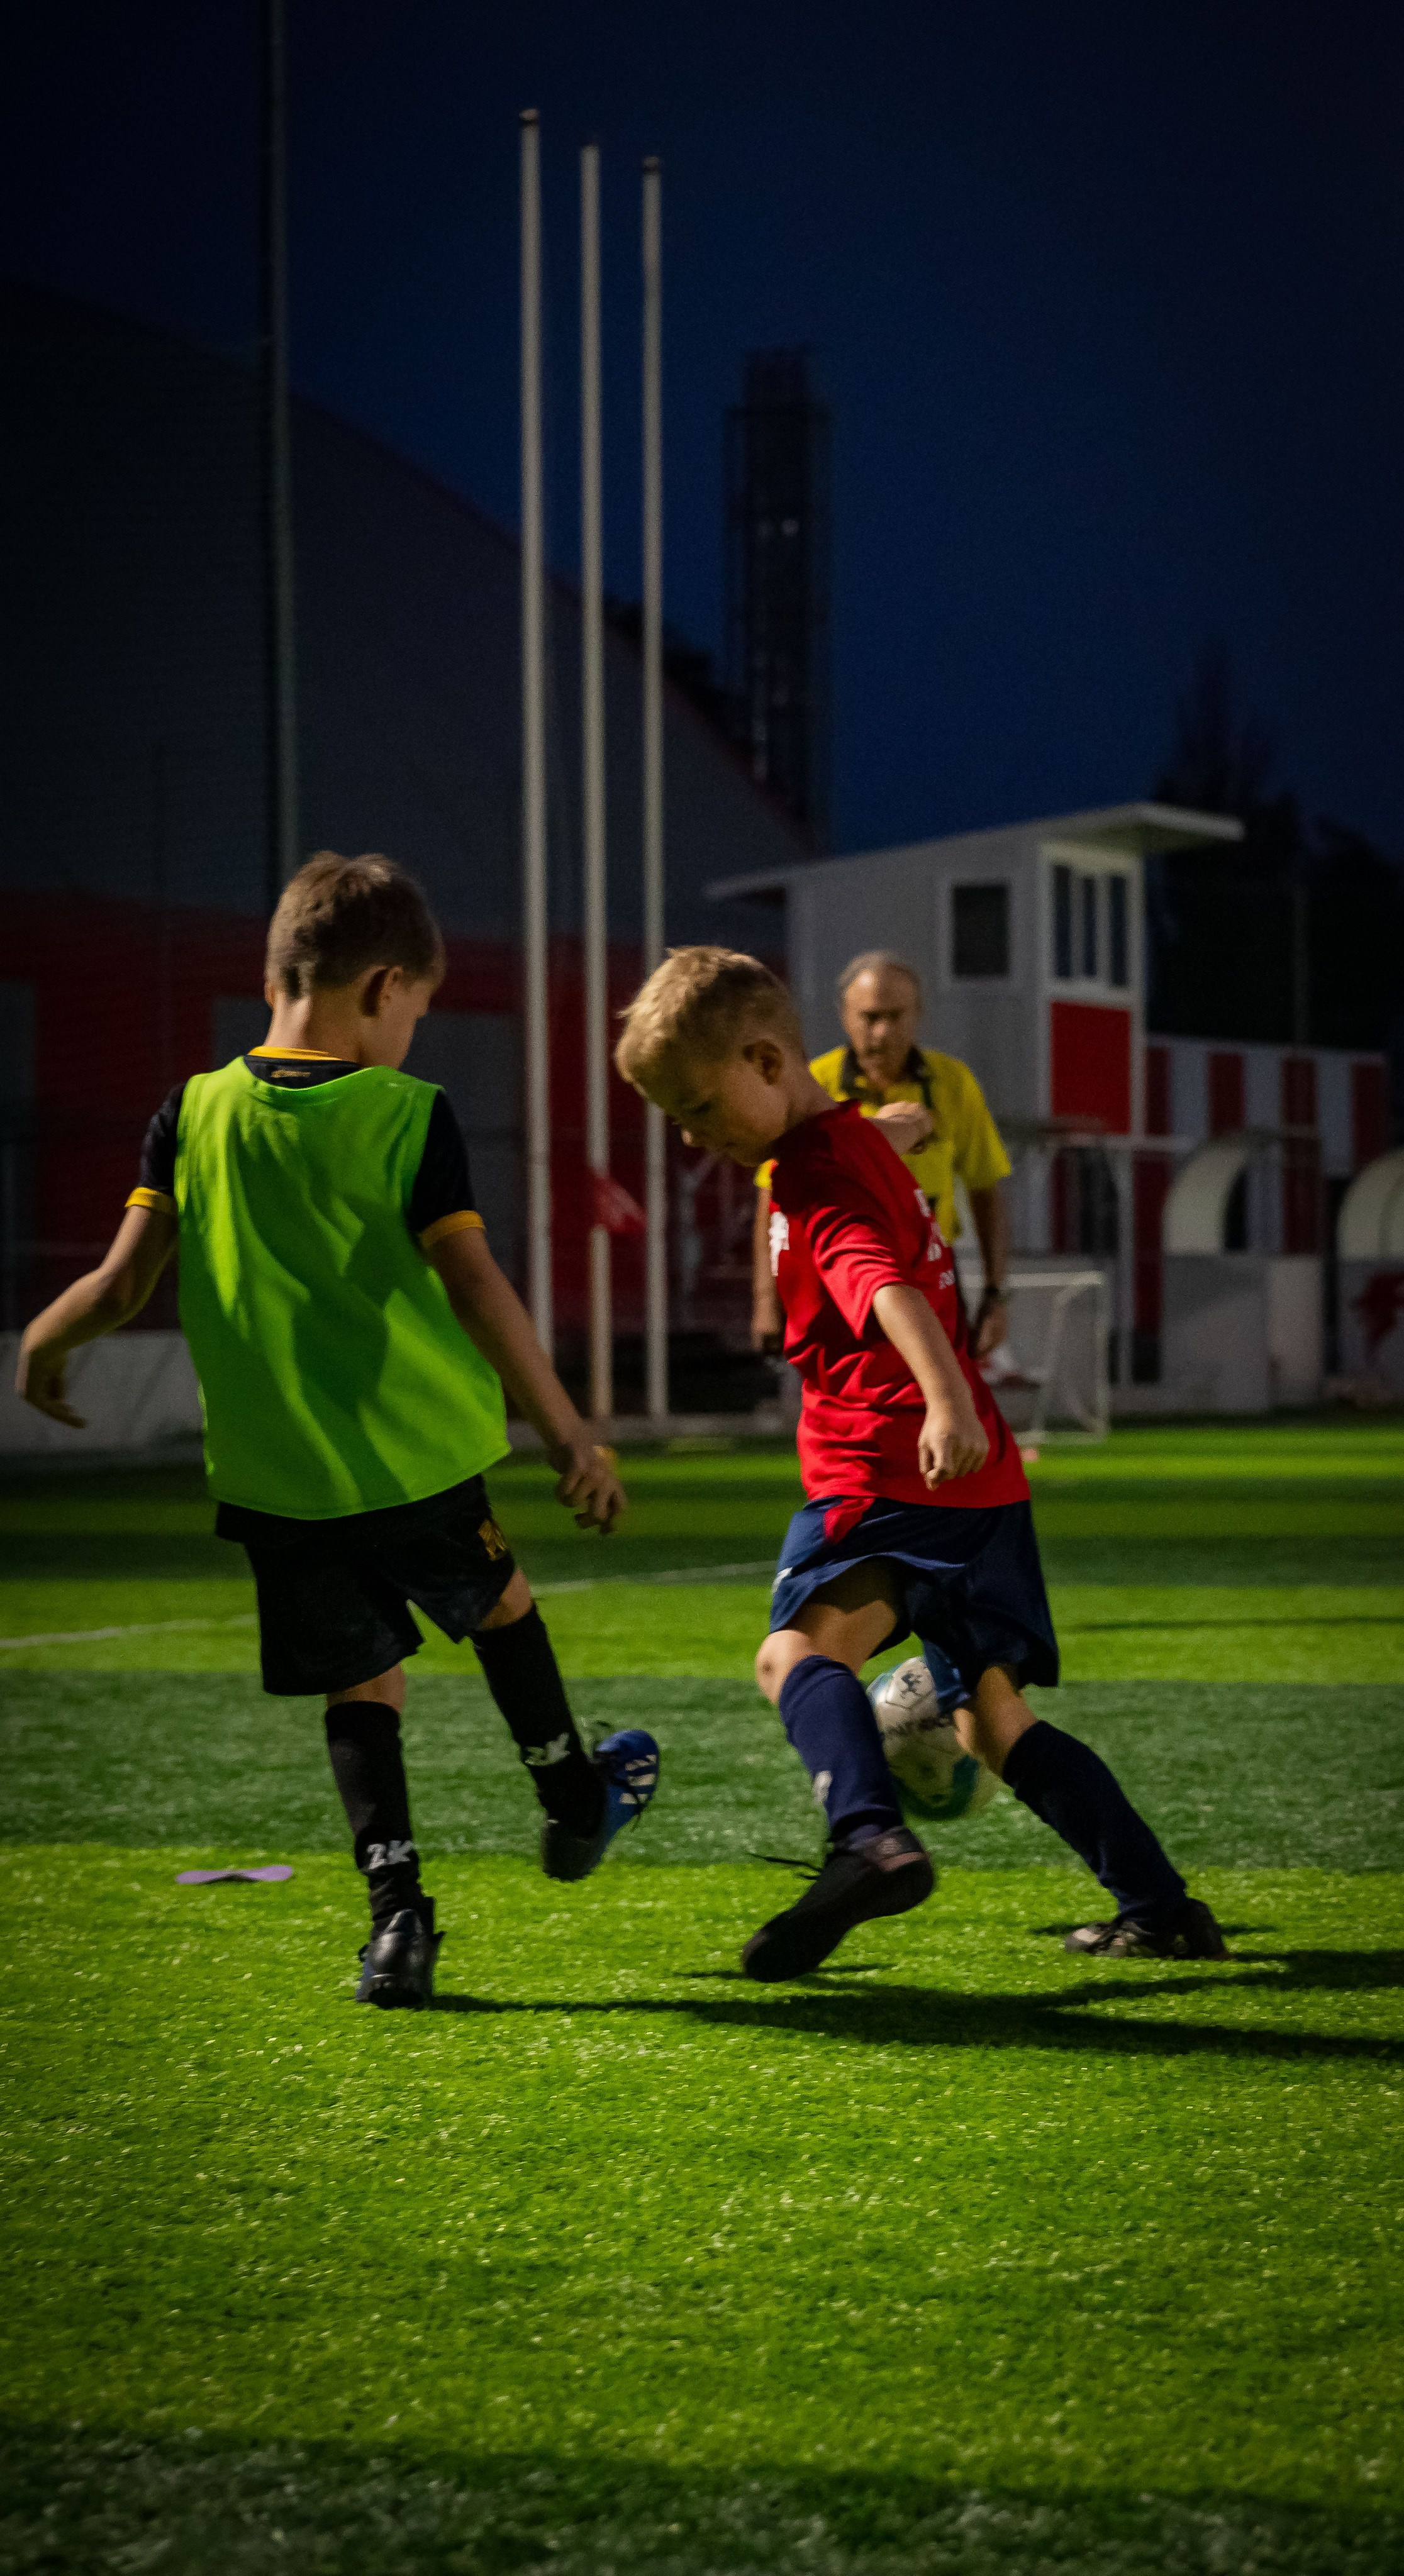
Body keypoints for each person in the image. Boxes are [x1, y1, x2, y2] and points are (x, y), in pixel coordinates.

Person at [16, 852, 659, 2009]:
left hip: (279, 1484)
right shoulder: (406, 1114)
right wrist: (571, 1434)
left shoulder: (191, 1112)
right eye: (416, 1008)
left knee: (361, 1689)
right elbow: (474, 1283)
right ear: (381, 987)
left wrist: (39, 1342)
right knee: (502, 1609)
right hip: (412, 1460)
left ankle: (397, 1925)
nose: (413, 1031)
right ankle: (572, 1799)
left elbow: (119, 1287)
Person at [616, 945, 1225, 1980]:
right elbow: (880, 1137)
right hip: (980, 1491)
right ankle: (1160, 1907)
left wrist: (943, 1397)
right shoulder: (836, 1138)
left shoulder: (812, 1177)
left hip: (889, 1471)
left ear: (765, 1061)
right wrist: (894, 1130)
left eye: (696, 1105)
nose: (688, 1133)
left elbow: (879, 1279)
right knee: (991, 1724)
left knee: (793, 1659)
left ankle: (867, 1837)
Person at [752, 948, 1012, 1363]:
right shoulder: (812, 1084)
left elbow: (986, 1189)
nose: (883, 1031)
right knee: (850, 1413)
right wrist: (767, 1300)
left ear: (918, 1014)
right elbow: (773, 1201)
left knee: (951, 1405)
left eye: (896, 1016)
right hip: (838, 1283)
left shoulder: (953, 1084)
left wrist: (996, 1293)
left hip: (931, 1279)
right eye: (870, 1017)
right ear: (844, 1015)